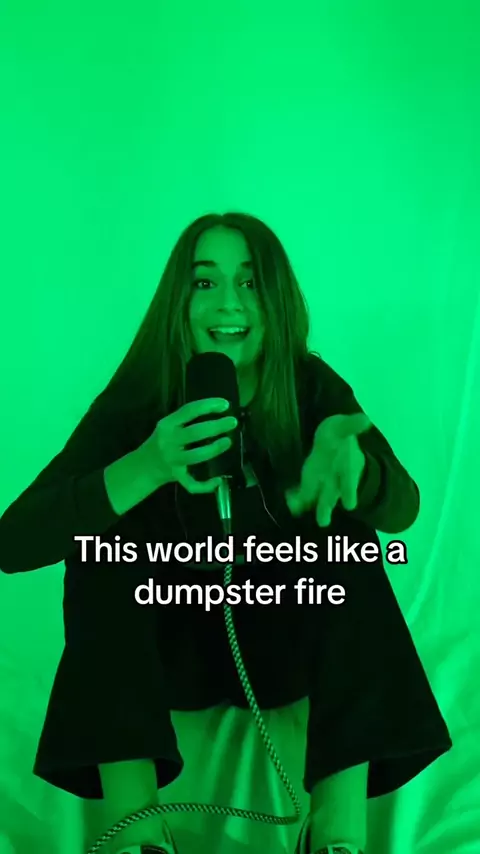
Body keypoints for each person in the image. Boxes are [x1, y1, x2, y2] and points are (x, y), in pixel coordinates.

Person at [0, 213, 452, 854]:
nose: (229, 303)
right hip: (169, 657)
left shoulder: (309, 386)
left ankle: (335, 829)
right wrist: (146, 466)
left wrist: (361, 476)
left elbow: (403, 508)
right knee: (100, 547)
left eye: (250, 282)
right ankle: (136, 830)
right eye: (205, 282)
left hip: (283, 648)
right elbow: (14, 542)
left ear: (276, 299)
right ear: (179, 302)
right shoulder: (140, 396)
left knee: (347, 534)